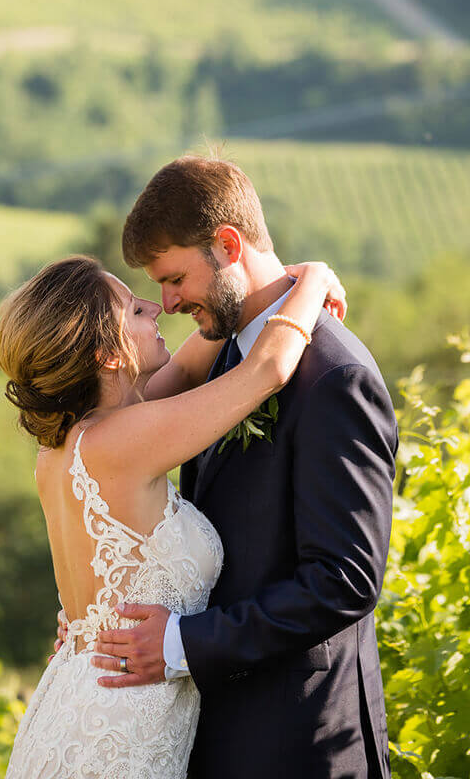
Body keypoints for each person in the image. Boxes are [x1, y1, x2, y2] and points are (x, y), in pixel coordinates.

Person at [88, 155, 398, 779]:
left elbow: (344, 580)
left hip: (300, 740)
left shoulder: (336, 378)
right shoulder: (225, 351)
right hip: (217, 731)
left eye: (174, 278)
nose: (168, 302)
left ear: (228, 245)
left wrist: (180, 643)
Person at [0, 243, 347, 779]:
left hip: (72, 707)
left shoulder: (66, 445)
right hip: (118, 735)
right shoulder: (125, 442)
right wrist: (314, 278)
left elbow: (181, 371)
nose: (156, 308)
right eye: (135, 310)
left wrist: (242, 299)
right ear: (106, 355)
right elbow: (267, 368)